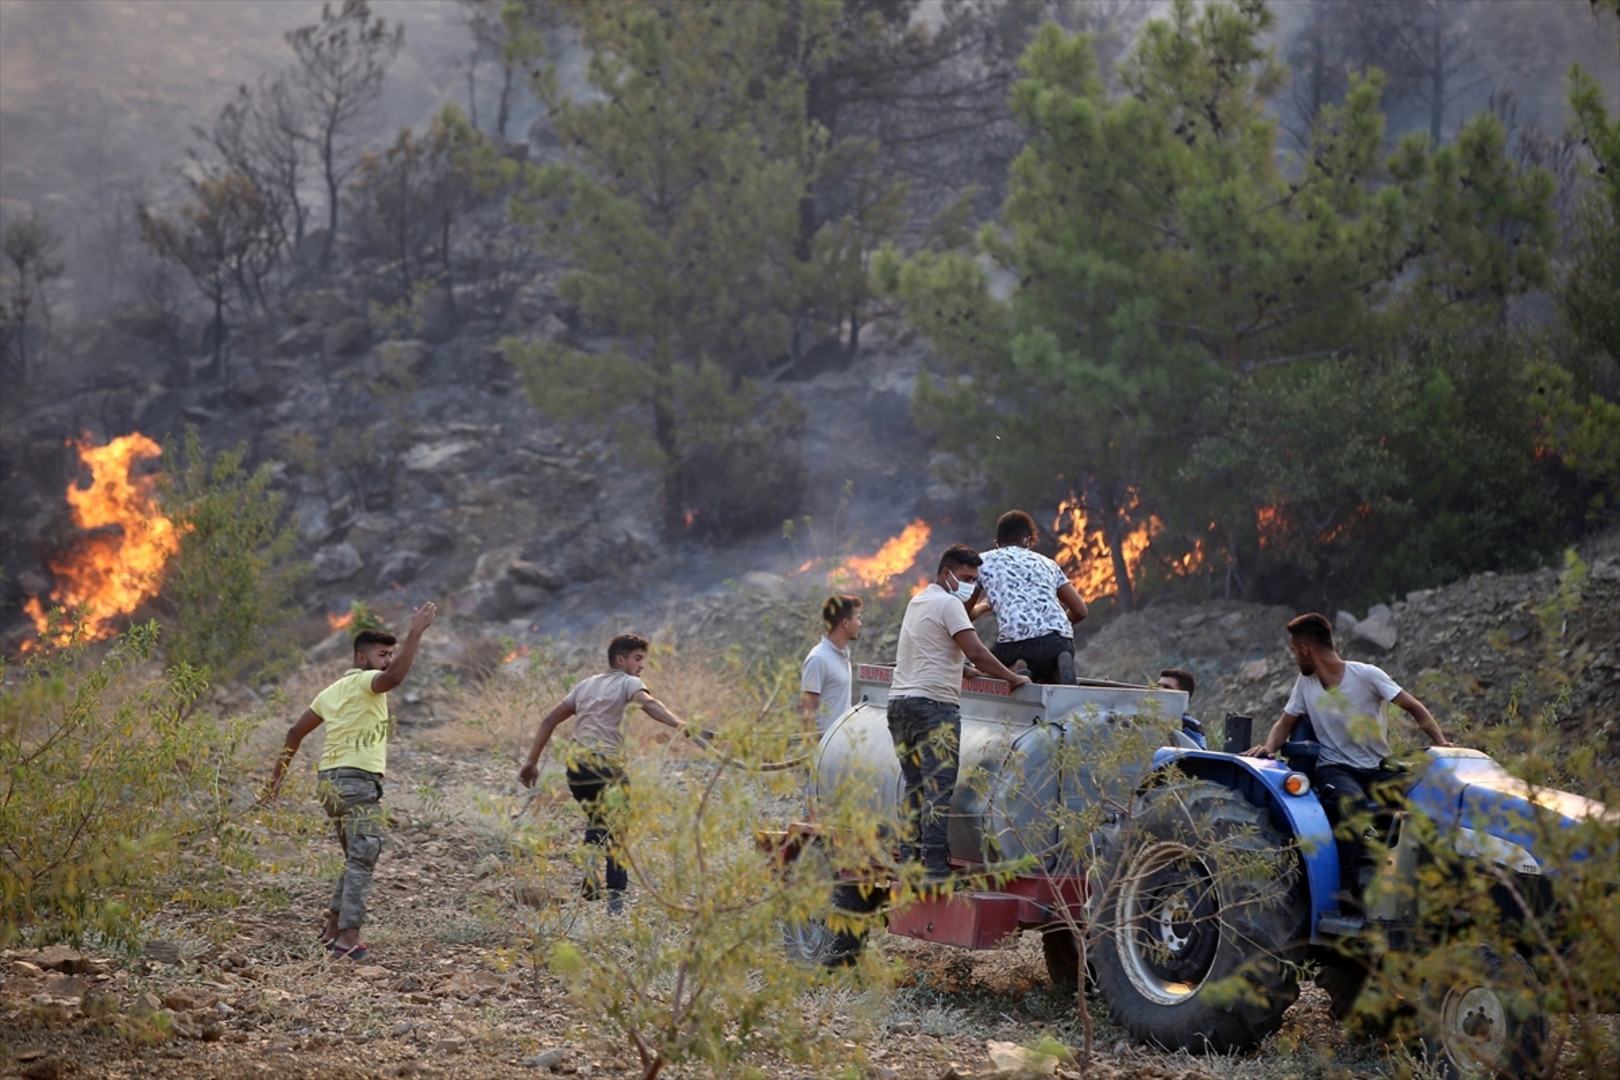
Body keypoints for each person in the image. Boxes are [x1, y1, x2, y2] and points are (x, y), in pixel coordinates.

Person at [263, 603, 439, 961]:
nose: (388, 660)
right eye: (382, 654)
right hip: (357, 782)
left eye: (391, 654)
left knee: (354, 858)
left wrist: (275, 780)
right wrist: (415, 633)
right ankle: (348, 940)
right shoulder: (366, 682)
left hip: (330, 783)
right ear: (362, 658)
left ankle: (331, 928)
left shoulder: (330, 692)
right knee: (363, 857)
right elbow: (394, 679)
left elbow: (295, 733)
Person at [1243, 612, 1450, 903]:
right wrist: (1269, 747)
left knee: (1427, 794)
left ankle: (1426, 884)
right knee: (1351, 802)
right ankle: (1347, 889)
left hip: (1379, 767)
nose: (1294, 658)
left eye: (1293, 651)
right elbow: (1285, 723)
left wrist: (1441, 743)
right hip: (1335, 768)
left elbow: (1414, 707)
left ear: (1305, 650)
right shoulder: (1306, 685)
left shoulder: (1367, 675)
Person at [889, 545, 1031, 881]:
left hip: (899, 707)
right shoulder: (950, 603)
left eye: (974, 580)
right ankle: (935, 869)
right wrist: (1012, 677)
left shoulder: (918, 601)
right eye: (966, 577)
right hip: (933, 707)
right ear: (946, 573)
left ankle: (909, 862)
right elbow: (977, 651)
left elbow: (932, 649)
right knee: (938, 789)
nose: (969, 585)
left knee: (913, 787)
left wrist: (962, 669)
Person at [518, 634, 688, 910]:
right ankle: (616, 901)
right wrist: (681, 725)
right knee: (619, 826)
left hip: (576, 769)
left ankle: (591, 871)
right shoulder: (628, 682)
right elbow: (649, 704)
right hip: (606, 766)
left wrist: (531, 762)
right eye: (638, 659)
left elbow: (550, 719)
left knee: (599, 819)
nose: (641, 665)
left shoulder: (585, 685)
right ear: (621, 660)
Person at [969, 510, 1088, 685]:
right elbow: (1080, 611)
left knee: (985, 668)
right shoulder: (1049, 563)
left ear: (996, 544)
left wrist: (984, 607)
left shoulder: (982, 561)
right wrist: (1053, 630)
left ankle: (1017, 668)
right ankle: (1056, 668)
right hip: (1060, 642)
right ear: (1027, 541)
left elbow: (962, 613)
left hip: (1017, 645)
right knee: (1047, 665)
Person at [801, 595, 862, 738]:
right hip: (823, 749)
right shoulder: (819, 659)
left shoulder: (843, 655)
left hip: (840, 746)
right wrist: (812, 753)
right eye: (858, 618)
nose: (860, 623)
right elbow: (807, 710)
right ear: (845, 623)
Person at [1157, 667, 1207, 749]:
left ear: (1182, 695)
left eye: (1167, 687)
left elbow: (1198, 756)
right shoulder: (1145, 718)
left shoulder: (1188, 724)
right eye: (1158, 686)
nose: (1159, 690)